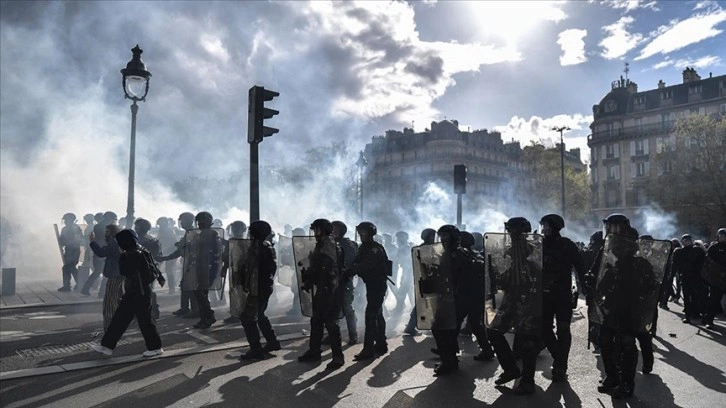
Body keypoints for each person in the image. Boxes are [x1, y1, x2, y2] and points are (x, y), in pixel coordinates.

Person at [486, 217, 543, 395]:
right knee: (494, 332)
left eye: (516, 230)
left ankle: (528, 381)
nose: (513, 234)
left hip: (529, 301)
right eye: (511, 230)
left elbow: (540, 276)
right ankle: (510, 369)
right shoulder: (507, 252)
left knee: (527, 342)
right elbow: (505, 277)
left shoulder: (535, 251)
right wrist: (495, 278)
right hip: (510, 300)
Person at [91, 229, 163, 357]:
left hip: (138, 291)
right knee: (121, 319)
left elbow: (125, 270)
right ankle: (107, 346)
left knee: (142, 320)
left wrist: (122, 255)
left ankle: (155, 348)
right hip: (138, 290)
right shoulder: (142, 250)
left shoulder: (133, 253)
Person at [538, 214, 586, 382]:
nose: (544, 228)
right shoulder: (539, 244)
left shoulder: (567, 245)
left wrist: (584, 287)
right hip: (544, 295)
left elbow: (580, 266)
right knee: (544, 330)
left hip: (562, 295)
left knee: (563, 330)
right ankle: (560, 358)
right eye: (543, 225)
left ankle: (560, 365)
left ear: (555, 227)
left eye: (547, 225)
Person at [297, 219, 345, 370]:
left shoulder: (330, 245)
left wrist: (313, 278)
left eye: (317, 230)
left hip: (330, 289)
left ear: (323, 230)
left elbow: (328, 269)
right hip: (323, 288)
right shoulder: (322, 245)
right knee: (316, 321)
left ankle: (338, 357)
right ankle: (314, 351)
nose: (314, 233)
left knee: (331, 323)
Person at [237, 221, 282, 360]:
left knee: (248, 318)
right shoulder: (267, 246)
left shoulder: (257, 248)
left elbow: (250, 269)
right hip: (264, 287)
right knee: (260, 314)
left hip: (257, 288)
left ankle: (256, 349)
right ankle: (272, 341)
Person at [348, 221, 389, 361]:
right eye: (360, 233)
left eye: (364, 233)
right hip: (371, 284)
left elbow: (366, 266)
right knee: (377, 314)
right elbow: (356, 261)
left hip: (377, 284)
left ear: (371, 233)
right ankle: (381, 343)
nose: (361, 235)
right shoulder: (364, 247)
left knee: (370, 315)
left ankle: (368, 349)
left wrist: (351, 270)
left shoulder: (375, 249)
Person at [456, 230, 496, 362]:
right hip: (474, 295)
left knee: (459, 322)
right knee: (472, 323)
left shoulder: (466, 255)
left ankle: (449, 351)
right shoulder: (476, 255)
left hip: (468, 295)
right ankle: (487, 349)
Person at [159, 212, 198, 318]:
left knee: (191, 287)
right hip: (188, 264)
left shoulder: (193, 233)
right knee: (185, 286)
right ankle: (185, 308)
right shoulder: (189, 233)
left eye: (183, 221)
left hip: (194, 265)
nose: (181, 223)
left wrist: (167, 257)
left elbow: (182, 251)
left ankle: (195, 310)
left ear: (190, 221)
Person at [88, 224, 122, 331]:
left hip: (115, 275)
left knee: (109, 302)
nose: (105, 234)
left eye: (107, 232)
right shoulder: (118, 241)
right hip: (119, 274)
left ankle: (110, 328)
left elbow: (101, 252)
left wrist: (92, 242)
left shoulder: (114, 241)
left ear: (112, 232)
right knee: (116, 300)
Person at [404, 228, 437, 335]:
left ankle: (412, 325)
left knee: (421, 304)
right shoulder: (429, 249)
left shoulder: (419, 248)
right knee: (431, 304)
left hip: (422, 280)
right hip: (429, 280)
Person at [332, 220, 359, 345]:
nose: (332, 231)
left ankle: (353, 335)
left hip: (344, 280)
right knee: (333, 308)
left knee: (347, 308)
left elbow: (351, 262)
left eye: (335, 229)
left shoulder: (348, 245)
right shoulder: (329, 243)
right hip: (331, 280)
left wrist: (343, 272)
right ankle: (333, 333)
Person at [672, 233, 707, 324]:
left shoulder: (697, 250)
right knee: (686, 298)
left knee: (701, 297)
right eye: (684, 240)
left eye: (688, 240)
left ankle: (704, 316)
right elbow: (674, 266)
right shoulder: (679, 252)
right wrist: (670, 276)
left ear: (691, 241)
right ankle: (687, 316)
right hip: (685, 277)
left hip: (697, 277)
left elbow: (705, 261)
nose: (686, 242)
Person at [135, 218, 161, 319]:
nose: (135, 227)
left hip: (140, 269)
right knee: (148, 289)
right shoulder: (153, 239)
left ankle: (149, 311)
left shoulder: (138, 240)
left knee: (141, 291)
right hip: (151, 268)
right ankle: (152, 310)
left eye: (137, 226)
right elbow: (158, 256)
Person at [223, 221, 248, 324]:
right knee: (238, 291)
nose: (235, 231)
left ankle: (238, 313)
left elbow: (226, 257)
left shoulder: (238, 242)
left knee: (238, 292)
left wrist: (224, 267)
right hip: (239, 270)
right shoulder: (244, 242)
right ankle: (239, 311)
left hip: (239, 270)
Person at [703, 228, 726, 329]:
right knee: (713, 300)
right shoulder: (714, 247)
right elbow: (707, 262)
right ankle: (709, 320)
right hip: (716, 279)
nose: (723, 238)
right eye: (721, 236)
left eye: (724, 236)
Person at [58, 213, 83, 292]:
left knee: (69, 267)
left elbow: (77, 240)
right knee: (68, 268)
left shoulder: (68, 229)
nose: (65, 221)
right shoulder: (76, 228)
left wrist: (64, 242)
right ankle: (75, 284)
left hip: (72, 250)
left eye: (66, 220)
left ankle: (77, 284)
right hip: (73, 250)